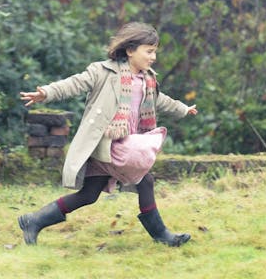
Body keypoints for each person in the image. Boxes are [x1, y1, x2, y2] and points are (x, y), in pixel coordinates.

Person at [18, 22, 198, 247]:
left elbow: (159, 100)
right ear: (131, 50)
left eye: (155, 52)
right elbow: (75, 83)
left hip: (124, 142)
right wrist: (46, 93)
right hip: (107, 143)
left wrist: (182, 108)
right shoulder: (103, 71)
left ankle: (34, 220)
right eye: (149, 51)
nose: (153, 57)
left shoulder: (147, 79)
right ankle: (162, 235)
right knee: (145, 180)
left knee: (89, 194)